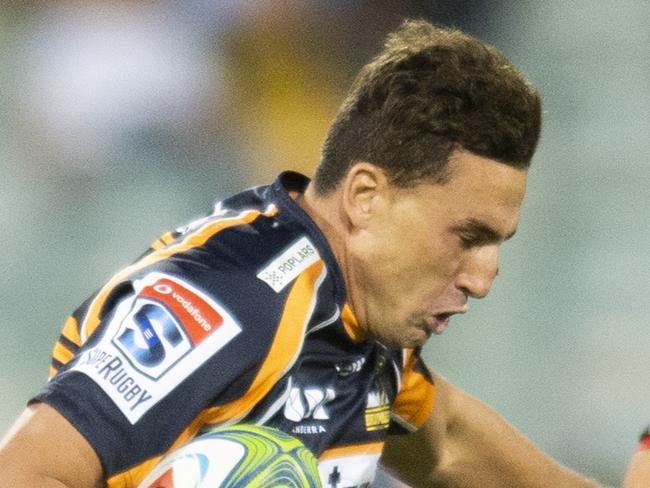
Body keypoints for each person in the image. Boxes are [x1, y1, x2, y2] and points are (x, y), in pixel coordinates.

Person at [0, 20, 600, 487]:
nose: (484, 277)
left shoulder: (362, 315)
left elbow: (449, 442)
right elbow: (25, 470)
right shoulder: (233, 303)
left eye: (498, 244)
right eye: (468, 237)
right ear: (366, 197)